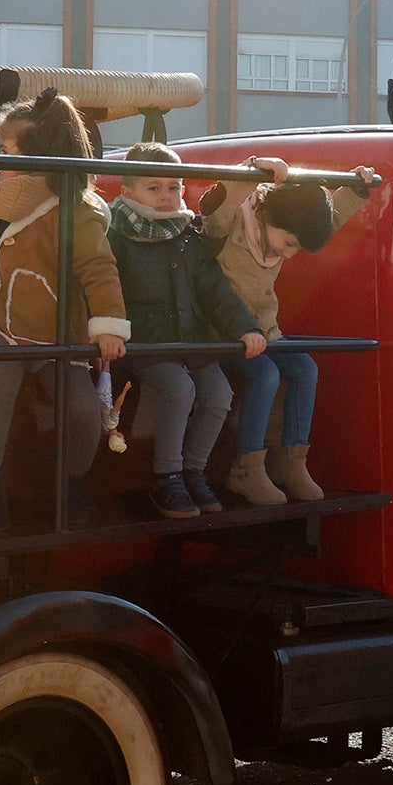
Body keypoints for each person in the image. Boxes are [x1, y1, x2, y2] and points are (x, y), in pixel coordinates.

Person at [0, 88, 129, 530]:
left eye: (5, 150)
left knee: (81, 408)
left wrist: (108, 326)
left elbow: (98, 268)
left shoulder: (76, 211)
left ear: (39, 156)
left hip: (55, 329)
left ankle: (74, 488)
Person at [198, 156, 375, 506]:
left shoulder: (280, 227)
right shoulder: (232, 224)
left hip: (263, 331)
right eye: (290, 244)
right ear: (270, 215)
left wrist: (355, 189)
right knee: (264, 374)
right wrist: (253, 169)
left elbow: (328, 219)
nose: (290, 255)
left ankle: (290, 462)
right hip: (220, 331)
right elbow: (218, 204)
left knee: (305, 367)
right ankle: (246, 467)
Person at [107, 142, 267, 518]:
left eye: (174, 187)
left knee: (219, 394)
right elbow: (104, 285)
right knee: (180, 388)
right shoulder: (117, 234)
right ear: (128, 193)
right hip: (144, 341)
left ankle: (194, 470)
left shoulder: (185, 234)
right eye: (154, 188)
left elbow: (214, 288)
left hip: (187, 337)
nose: (167, 196)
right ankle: (167, 477)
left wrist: (245, 327)